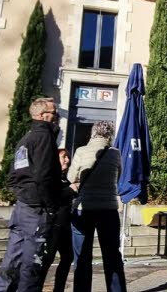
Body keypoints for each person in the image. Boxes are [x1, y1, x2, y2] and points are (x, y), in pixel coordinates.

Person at [0, 97, 62, 292]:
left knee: (13, 256)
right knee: (33, 262)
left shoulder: (26, 138)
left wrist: (22, 194)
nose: (56, 117)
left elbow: (12, 176)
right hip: (36, 209)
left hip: (23, 207)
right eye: (54, 113)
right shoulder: (43, 137)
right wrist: (50, 206)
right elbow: (43, 175)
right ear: (43, 115)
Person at [67, 121, 126, 292]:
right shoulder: (115, 154)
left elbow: (71, 178)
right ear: (110, 135)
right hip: (108, 209)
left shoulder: (81, 151)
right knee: (112, 257)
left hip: (83, 209)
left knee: (82, 257)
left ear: (92, 133)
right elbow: (118, 177)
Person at [38, 149, 75, 291]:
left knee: (67, 258)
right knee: (46, 260)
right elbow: (52, 198)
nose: (67, 160)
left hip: (66, 225)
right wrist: (70, 190)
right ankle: (36, 287)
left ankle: (58, 289)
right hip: (53, 225)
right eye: (63, 157)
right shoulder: (50, 178)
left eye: (68, 157)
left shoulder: (66, 178)